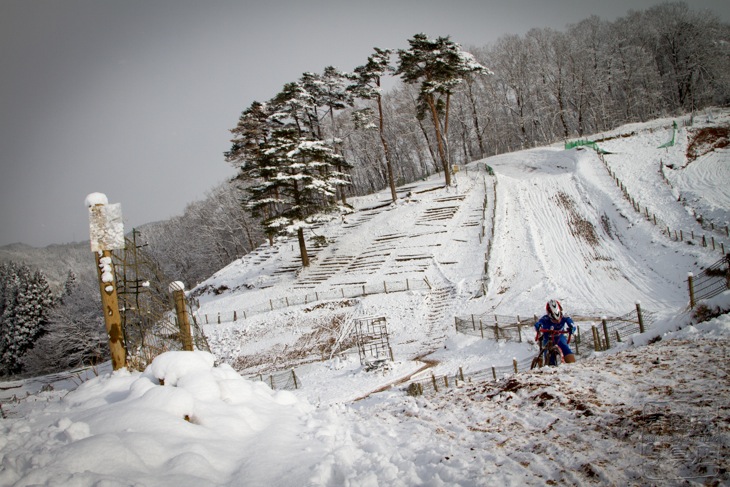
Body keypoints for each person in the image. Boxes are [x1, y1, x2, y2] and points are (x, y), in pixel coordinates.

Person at [534, 299, 577, 364]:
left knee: (568, 353)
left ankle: (573, 368)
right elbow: (539, 323)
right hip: (548, 339)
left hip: (560, 338)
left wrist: (572, 328)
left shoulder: (564, 316)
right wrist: (538, 326)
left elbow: (571, 323)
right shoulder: (545, 319)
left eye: (559, 319)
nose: (557, 321)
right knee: (549, 359)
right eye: (554, 320)